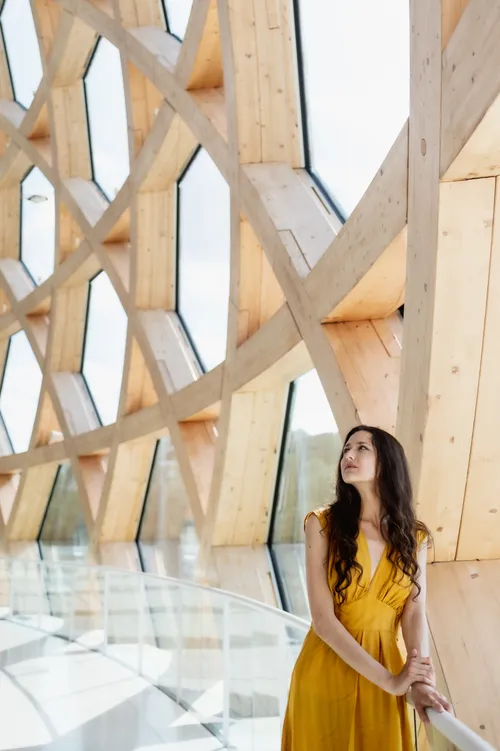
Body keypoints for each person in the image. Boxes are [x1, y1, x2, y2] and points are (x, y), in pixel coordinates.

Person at [281, 425, 451, 750]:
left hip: (389, 672)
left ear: (387, 462)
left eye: (362, 448)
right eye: (346, 449)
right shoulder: (322, 524)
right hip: (327, 672)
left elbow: (414, 613)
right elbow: (323, 621)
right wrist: (392, 681)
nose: (348, 455)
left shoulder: (415, 538)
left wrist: (418, 681)